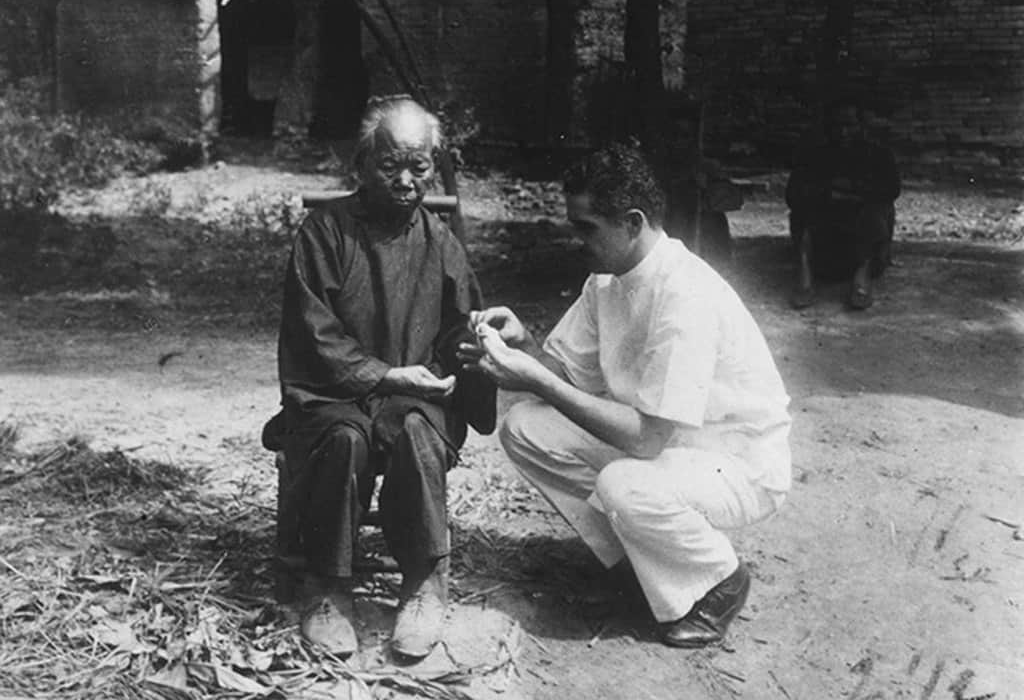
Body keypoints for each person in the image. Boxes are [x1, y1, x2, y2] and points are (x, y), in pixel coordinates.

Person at [459, 143, 791, 649]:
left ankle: (719, 581)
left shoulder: (685, 295)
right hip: (674, 449)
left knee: (624, 483)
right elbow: (568, 375)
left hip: (738, 462)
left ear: (633, 223)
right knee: (526, 427)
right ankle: (635, 567)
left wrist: (534, 377)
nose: (577, 241)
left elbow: (645, 441)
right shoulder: (607, 281)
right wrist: (525, 345)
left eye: (587, 227)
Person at [270, 96, 494, 660]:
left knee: (419, 429)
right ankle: (328, 589)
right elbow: (313, 337)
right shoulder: (323, 235)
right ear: (362, 165)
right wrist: (388, 374)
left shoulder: (442, 243)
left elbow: (455, 330)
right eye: (390, 164)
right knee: (343, 439)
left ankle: (423, 584)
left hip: (412, 400)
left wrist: (463, 353)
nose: (405, 180)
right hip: (333, 397)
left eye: (419, 167)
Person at [785, 97, 901, 309]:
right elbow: (793, 194)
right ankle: (805, 276)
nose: (843, 132)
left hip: (861, 233)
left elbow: (891, 190)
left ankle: (862, 276)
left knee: (875, 211)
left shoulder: (878, 154)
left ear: (861, 126)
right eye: (837, 126)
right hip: (827, 237)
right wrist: (827, 193)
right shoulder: (815, 154)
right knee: (802, 211)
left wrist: (852, 192)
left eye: (850, 125)